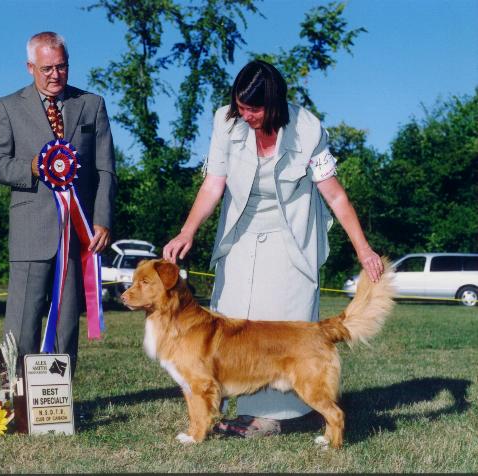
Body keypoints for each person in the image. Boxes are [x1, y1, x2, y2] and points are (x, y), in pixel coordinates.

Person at [163, 60, 383, 438]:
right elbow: (214, 184)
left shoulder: (308, 129)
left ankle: (277, 416)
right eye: (241, 106)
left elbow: (335, 195)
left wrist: (363, 249)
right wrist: (188, 231)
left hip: (290, 233)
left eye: (255, 108)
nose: (246, 115)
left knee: (283, 323)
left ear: (276, 104)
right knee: (234, 326)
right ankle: (242, 408)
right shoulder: (225, 121)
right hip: (241, 230)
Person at [0, 32, 117, 375]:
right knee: (22, 326)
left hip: (77, 233)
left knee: (66, 326)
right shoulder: (8, 106)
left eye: (62, 66)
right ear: (30, 67)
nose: (55, 75)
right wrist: (29, 167)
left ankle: (59, 403)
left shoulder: (92, 104)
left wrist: (101, 220)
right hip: (30, 233)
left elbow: (106, 169)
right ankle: (15, 397)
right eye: (46, 69)